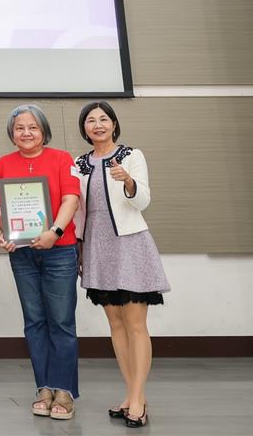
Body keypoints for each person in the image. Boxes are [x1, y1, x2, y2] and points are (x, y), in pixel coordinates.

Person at [75, 101, 169, 429]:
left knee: (136, 325)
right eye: (91, 120)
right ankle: (130, 394)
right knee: (115, 325)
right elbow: (76, 209)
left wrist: (128, 180)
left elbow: (143, 200)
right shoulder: (78, 164)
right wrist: (79, 247)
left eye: (104, 119)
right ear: (84, 129)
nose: (98, 125)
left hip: (130, 243)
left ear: (114, 124)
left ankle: (138, 398)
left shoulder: (132, 156)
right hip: (97, 245)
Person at [0, 104, 81, 420]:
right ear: (12, 133)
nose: (26, 133)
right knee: (34, 322)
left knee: (62, 322)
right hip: (23, 254)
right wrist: (7, 234)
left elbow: (71, 199)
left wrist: (55, 232)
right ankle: (44, 387)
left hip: (60, 250)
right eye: (19, 128)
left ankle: (64, 390)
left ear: (44, 131)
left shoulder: (62, 159)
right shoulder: (4, 163)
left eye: (32, 127)